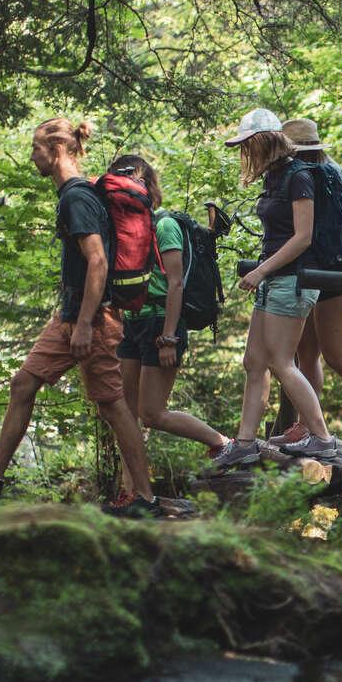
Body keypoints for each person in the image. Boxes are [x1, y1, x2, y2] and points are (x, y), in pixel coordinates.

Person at [0, 117, 162, 516]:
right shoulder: (78, 193)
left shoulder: (76, 197)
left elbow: (98, 264)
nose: (32, 157)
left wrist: (82, 326)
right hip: (74, 315)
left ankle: (145, 498)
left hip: (92, 319)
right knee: (23, 384)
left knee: (112, 404)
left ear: (57, 150)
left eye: (35, 149)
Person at [210, 108, 337, 467]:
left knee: (281, 362)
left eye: (246, 145)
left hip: (293, 280)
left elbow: (303, 237)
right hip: (275, 279)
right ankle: (245, 442)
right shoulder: (276, 177)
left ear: (263, 141)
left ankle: (322, 438)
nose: (244, 153)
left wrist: (260, 271)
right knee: (254, 362)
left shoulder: (298, 177)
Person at [104, 155, 229, 487]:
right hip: (133, 323)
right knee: (127, 416)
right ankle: (133, 494)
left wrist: (169, 337)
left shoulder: (164, 225)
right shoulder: (125, 230)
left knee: (152, 414)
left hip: (162, 324)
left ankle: (221, 443)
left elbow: (175, 283)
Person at [269, 117, 342, 445]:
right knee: (307, 355)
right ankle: (307, 426)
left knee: (334, 354)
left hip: (330, 269)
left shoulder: (308, 176)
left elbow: (336, 223)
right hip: (316, 267)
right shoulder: (333, 171)